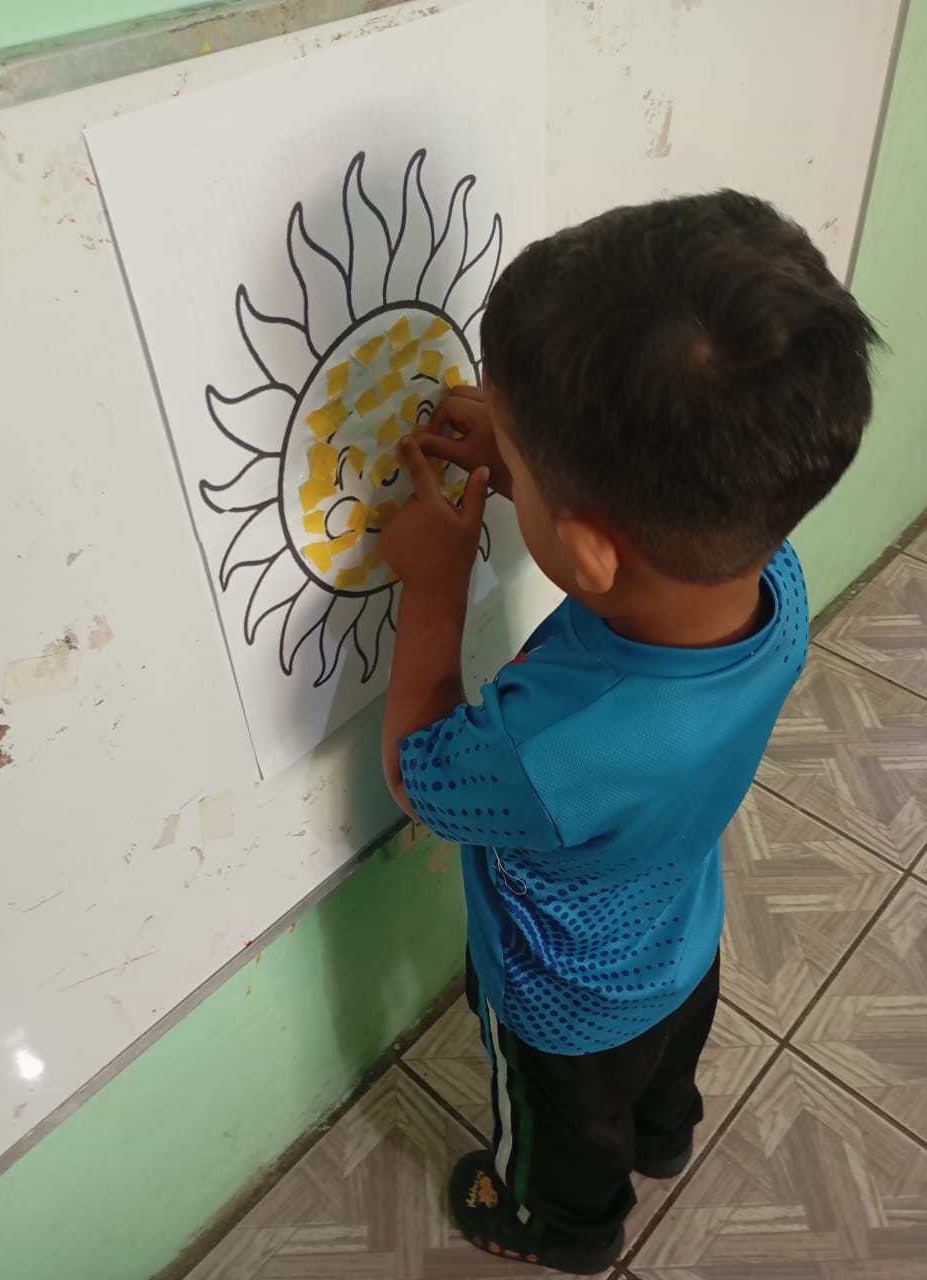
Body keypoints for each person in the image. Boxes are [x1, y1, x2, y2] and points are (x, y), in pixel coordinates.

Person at [379, 190, 880, 1275]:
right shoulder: (775, 586)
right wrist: (536, 464)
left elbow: (418, 775)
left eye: (516, 456)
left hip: (562, 1005)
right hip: (681, 939)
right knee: (656, 1086)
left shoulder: (550, 749)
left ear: (592, 550)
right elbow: (630, 546)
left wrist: (435, 585)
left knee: (564, 1140)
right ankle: (663, 1141)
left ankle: (565, 1230)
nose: (505, 458)